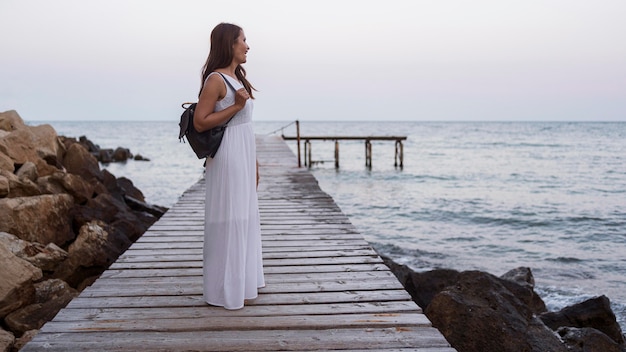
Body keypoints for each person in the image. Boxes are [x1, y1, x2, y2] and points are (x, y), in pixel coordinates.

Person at [193, 23, 264, 310]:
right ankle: (224, 290)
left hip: (243, 152)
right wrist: (235, 106)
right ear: (229, 44)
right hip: (228, 155)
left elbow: (246, 126)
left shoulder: (236, 78)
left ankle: (241, 283)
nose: (248, 45)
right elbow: (200, 121)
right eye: (243, 40)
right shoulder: (216, 80)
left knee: (244, 217)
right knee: (230, 218)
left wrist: (255, 163)